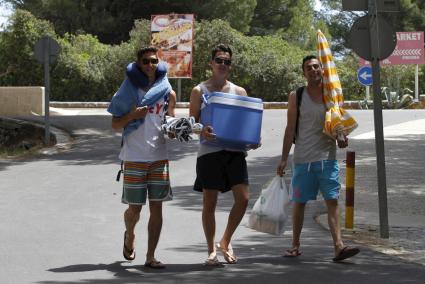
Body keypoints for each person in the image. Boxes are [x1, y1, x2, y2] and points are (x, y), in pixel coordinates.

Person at [276, 55, 360, 262]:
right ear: (303, 72)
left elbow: (337, 122)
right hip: (303, 158)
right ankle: (295, 245)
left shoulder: (331, 93)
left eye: (316, 66)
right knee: (299, 202)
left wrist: (341, 136)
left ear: (322, 69)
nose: (313, 70)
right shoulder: (297, 95)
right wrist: (284, 158)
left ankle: (339, 247)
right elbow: (289, 129)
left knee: (332, 201)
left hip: (327, 158)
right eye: (308, 67)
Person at [189, 44, 259, 266]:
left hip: (235, 153)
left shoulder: (239, 92)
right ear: (211, 63)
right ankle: (211, 250)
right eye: (219, 60)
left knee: (243, 199)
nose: (222, 65)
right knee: (209, 202)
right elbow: (191, 123)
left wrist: (252, 140)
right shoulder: (199, 91)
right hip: (209, 153)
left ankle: (225, 240)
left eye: (227, 62)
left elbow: (245, 123)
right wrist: (202, 130)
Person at [108, 46, 176, 269]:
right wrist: (132, 115)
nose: (150, 65)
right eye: (145, 61)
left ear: (159, 63)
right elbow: (115, 124)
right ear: (138, 64)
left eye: (154, 61)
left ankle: (150, 256)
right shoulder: (128, 91)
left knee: (157, 208)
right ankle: (129, 234)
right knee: (134, 209)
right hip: (134, 157)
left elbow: (170, 122)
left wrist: (175, 129)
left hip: (159, 157)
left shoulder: (167, 91)